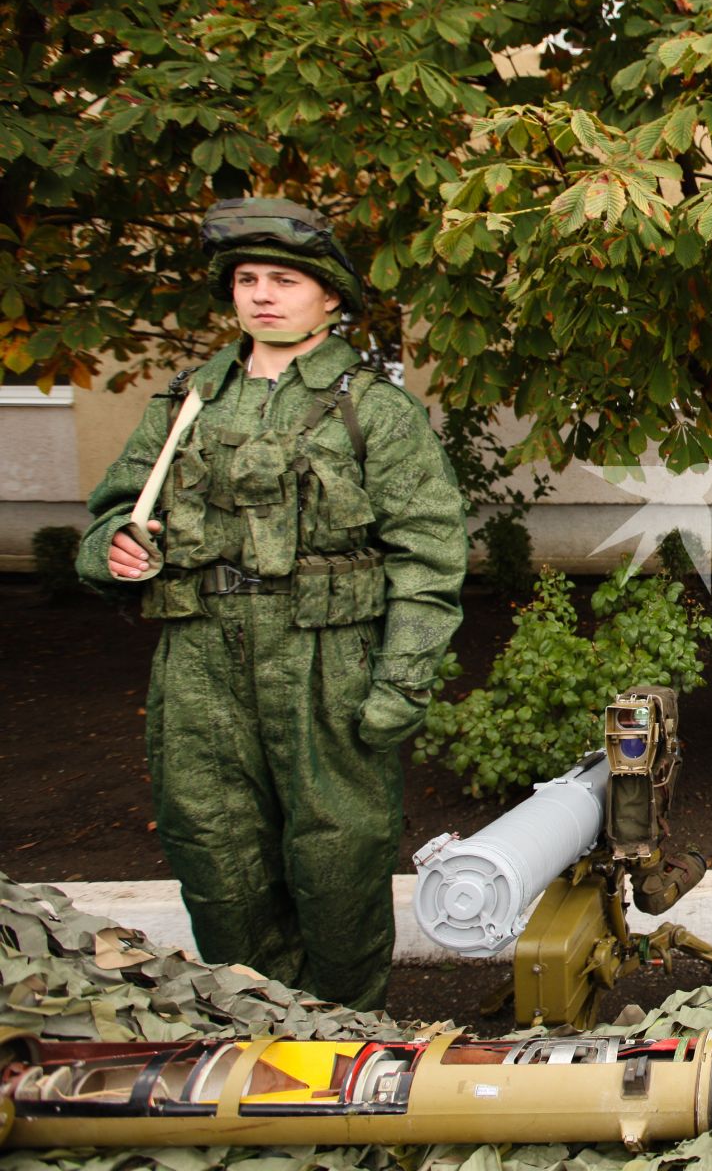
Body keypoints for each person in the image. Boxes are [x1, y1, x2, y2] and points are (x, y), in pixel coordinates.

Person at [77, 198, 467, 1010]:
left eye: (283, 279)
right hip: (200, 661)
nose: (261, 295)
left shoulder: (374, 409)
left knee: (339, 862)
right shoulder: (190, 400)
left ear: (329, 298)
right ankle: (253, 1043)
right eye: (247, 279)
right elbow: (117, 507)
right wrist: (113, 549)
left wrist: (401, 681)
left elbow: (428, 553)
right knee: (218, 857)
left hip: (325, 661)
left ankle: (351, 1047)